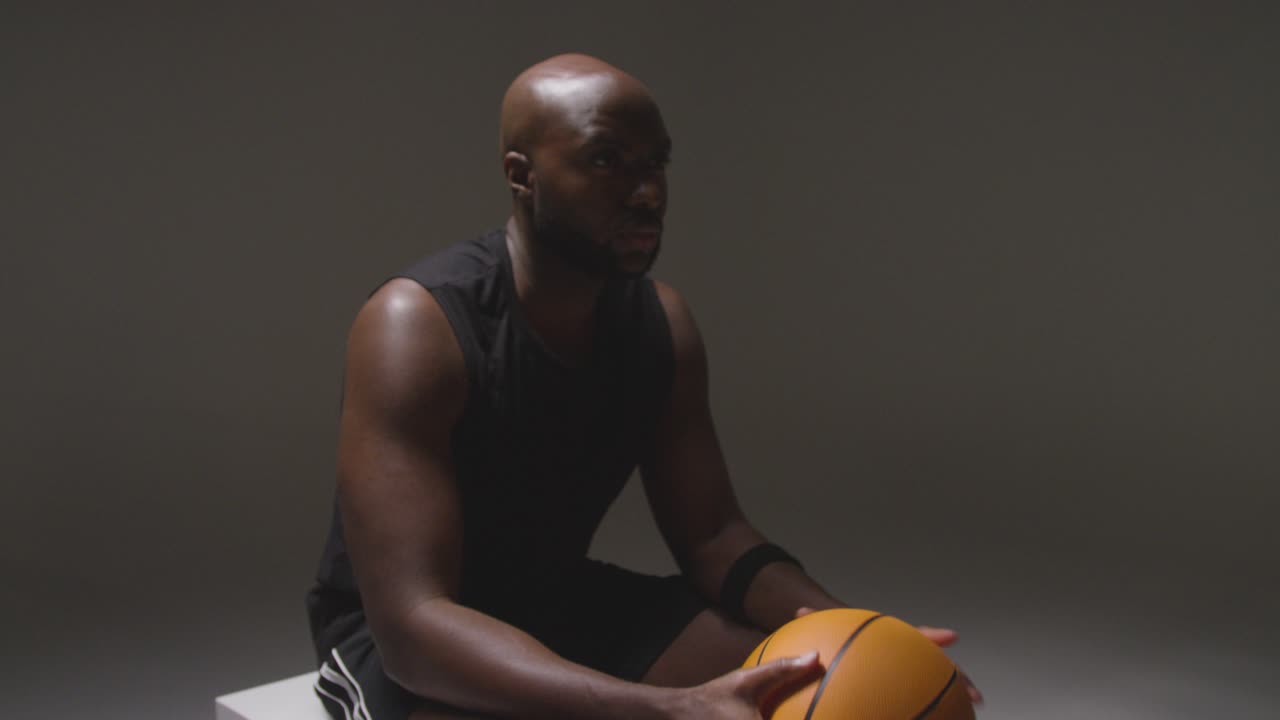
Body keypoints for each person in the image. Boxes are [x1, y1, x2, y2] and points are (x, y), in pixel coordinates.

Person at [305, 53, 980, 720]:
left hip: (558, 599)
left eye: (655, 162)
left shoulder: (662, 324)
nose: (647, 191)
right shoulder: (416, 326)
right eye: (607, 160)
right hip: (407, 638)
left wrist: (857, 636)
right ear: (523, 175)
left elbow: (715, 537)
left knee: (807, 682)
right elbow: (413, 625)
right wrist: (666, 708)